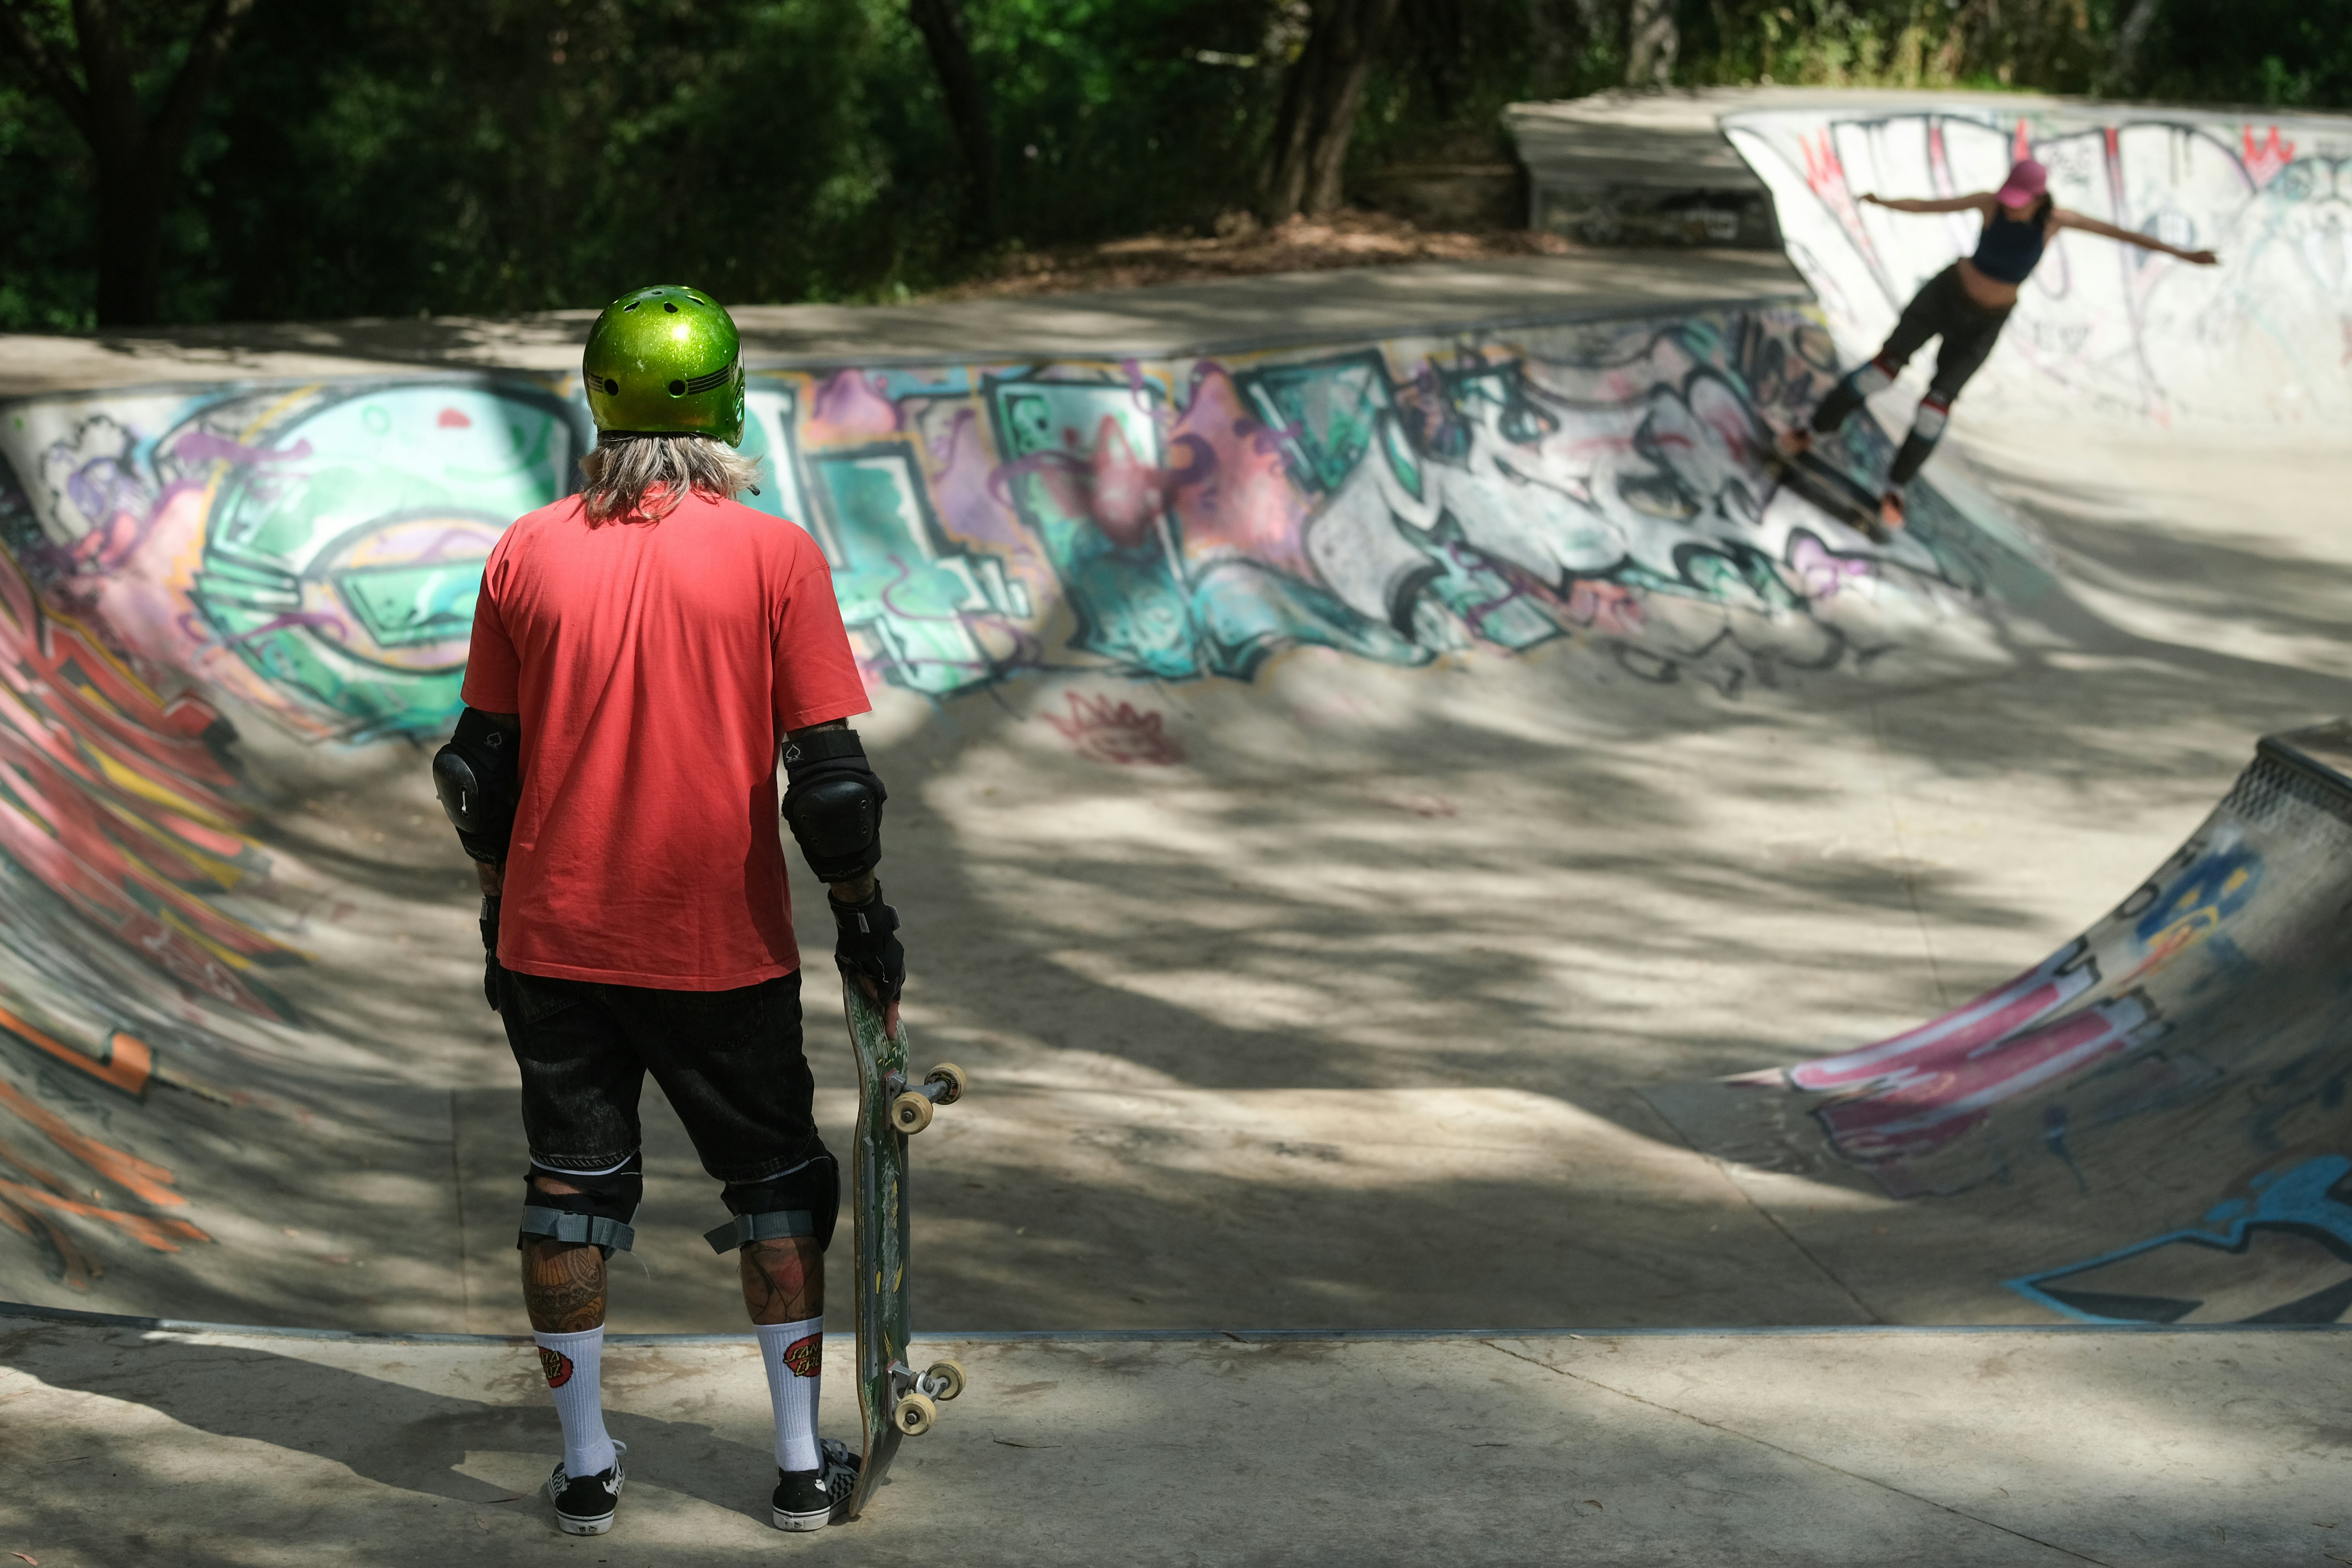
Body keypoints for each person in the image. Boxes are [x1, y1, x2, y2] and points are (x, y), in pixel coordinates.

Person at [431, 284, 903, 1538]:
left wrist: (498, 907)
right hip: (719, 945)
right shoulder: (771, 553)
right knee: (778, 1190)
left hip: (556, 942)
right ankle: (800, 1467)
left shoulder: (525, 548)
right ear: (726, 403)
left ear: (599, 402)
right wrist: (861, 917)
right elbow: (835, 788)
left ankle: (585, 1467)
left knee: (565, 1195)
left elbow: (477, 769)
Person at [1778, 157, 2220, 534]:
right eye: (2007, 201)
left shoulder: (2055, 222)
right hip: (1944, 296)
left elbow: (2123, 235)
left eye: (2017, 204)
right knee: (1881, 371)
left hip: (1984, 324)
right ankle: (1813, 431)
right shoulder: (1990, 203)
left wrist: (2185, 255)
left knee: (1935, 410)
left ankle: (1895, 490)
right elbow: (1929, 206)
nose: (2008, 210)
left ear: (2037, 198)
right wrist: (1881, 202)